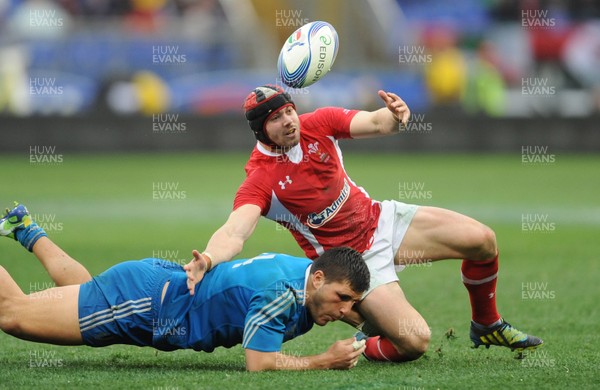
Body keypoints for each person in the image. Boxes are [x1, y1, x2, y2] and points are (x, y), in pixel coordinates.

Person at [184, 85, 543, 362]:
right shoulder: (261, 178)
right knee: (414, 342)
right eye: (275, 119)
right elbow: (235, 229)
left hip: (382, 220)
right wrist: (209, 259)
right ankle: (366, 338)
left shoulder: (318, 123)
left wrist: (396, 115)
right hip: (351, 263)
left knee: (482, 240)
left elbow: (375, 122)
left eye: (289, 110)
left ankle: (486, 325)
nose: (289, 120)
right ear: (260, 130)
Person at [0, 204, 370, 371]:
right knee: (12, 314)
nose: (344, 312)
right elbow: (259, 364)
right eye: (342, 300)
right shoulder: (282, 295)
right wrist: (323, 361)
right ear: (318, 279)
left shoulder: (310, 274)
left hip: (156, 285)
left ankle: (25, 227)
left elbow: (345, 304)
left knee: (87, 292)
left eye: (350, 303)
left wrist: (383, 332)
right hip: (146, 304)